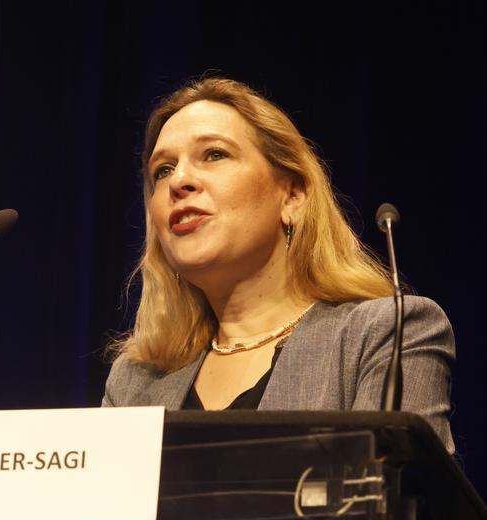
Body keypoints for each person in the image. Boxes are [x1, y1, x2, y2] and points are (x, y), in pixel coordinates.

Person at [102, 77, 456, 453]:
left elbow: (397, 504)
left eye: (215, 155)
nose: (180, 181)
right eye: (163, 170)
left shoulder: (383, 337)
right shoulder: (134, 381)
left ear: (293, 195)